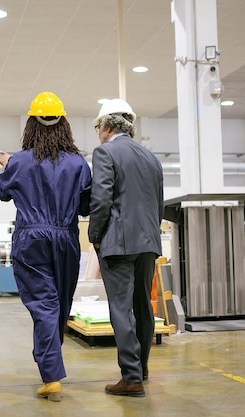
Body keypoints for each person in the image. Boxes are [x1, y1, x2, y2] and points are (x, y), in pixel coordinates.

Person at [0, 91, 91, 402]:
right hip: (65, 238)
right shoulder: (78, 163)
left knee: (45, 306)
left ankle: (51, 376)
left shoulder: (19, 161)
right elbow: (87, 206)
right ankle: (50, 368)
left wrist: (6, 165)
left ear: (31, 125)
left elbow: (2, 192)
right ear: (64, 124)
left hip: (31, 239)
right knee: (58, 304)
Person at [87, 99, 164, 398]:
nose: (98, 133)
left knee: (121, 308)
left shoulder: (105, 152)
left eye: (97, 127)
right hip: (147, 241)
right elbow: (158, 204)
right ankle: (141, 368)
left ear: (107, 126)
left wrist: (95, 235)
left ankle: (131, 377)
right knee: (143, 305)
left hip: (117, 242)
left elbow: (101, 199)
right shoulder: (151, 158)